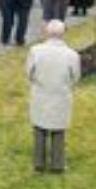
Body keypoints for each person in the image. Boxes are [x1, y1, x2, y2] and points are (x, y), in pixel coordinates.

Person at [25, 20, 81, 173]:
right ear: (63, 34)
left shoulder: (35, 51)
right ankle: (58, 164)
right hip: (60, 95)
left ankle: (38, 163)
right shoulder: (72, 55)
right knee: (58, 130)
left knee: (40, 128)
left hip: (40, 94)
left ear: (46, 33)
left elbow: (28, 73)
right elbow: (75, 77)